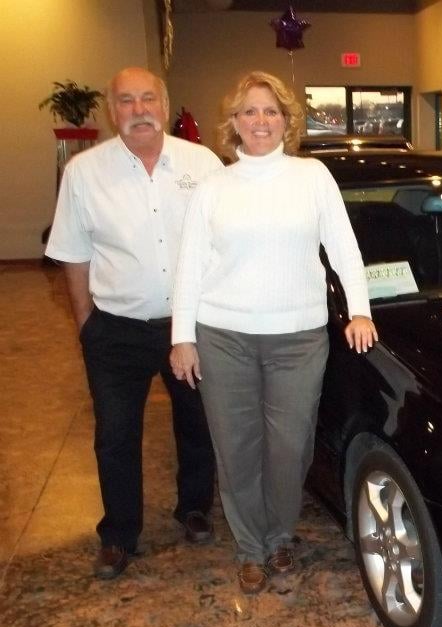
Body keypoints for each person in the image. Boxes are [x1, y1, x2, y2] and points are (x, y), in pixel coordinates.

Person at [170, 71, 376, 595]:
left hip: (298, 339)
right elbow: (190, 264)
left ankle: (280, 533)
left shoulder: (313, 177)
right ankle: (249, 547)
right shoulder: (214, 187)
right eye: (249, 111)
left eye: (270, 111)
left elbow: (344, 247)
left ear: (286, 119)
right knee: (236, 448)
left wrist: (360, 310)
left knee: (290, 448)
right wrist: (182, 337)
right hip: (223, 337)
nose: (260, 121)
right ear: (234, 122)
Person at [46, 67, 222, 580]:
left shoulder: (203, 164)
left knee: (197, 422)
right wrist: (87, 325)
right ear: (111, 110)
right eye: (127, 100)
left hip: (188, 326)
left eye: (148, 99)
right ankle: (119, 534)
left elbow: (224, 241)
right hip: (116, 329)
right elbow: (73, 255)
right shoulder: (83, 172)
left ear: (164, 105)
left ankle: (195, 508)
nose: (139, 110)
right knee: (115, 435)